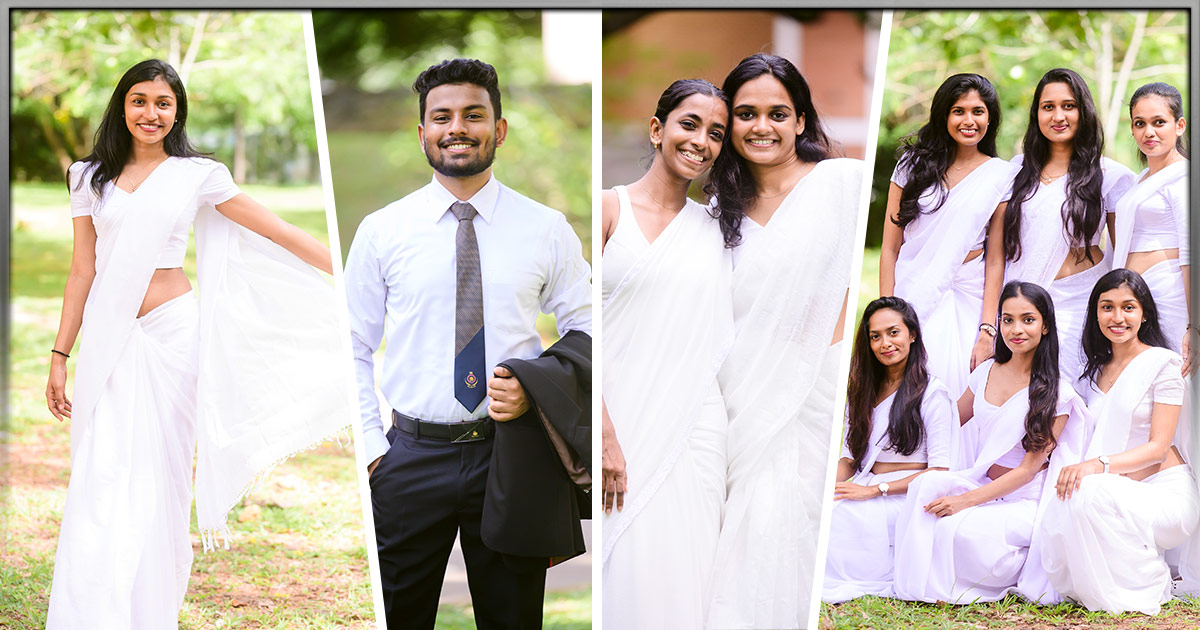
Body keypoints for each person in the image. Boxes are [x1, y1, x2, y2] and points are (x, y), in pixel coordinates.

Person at [44, 59, 349, 628]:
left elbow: (276, 229)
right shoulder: (87, 176)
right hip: (109, 338)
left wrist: (349, 280)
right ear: (122, 106)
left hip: (173, 338)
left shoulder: (197, 174)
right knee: (98, 474)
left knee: (161, 478)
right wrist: (61, 355)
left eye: (164, 103)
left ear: (177, 110)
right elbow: (81, 270)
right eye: (140, 101)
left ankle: (147, 613)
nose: (151, 113)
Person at [344, 58, 592, 630]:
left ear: (498, 129)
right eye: (442, 117)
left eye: (473, 114)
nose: (457, 127)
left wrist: (536, 389)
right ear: (423, 132)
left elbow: (587, 328)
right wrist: (372, 450)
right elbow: (352, 341)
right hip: (407, 456)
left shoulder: (545, 228)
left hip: (511, 455)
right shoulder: (383, 230)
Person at [702, 53, 863, 628]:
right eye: (745, 113)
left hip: (812, 388)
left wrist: (826, 371)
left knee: (794, 522)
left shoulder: (842, 183)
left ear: (801, 120)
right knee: (743, 529)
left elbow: (849, 284)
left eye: (777, 112)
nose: (761, 126)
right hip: (738, 393)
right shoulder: (719, 210)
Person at [600, 79, 733, 630]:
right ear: (657, 130)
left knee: (690, 564)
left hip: (696, 427)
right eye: (689, 123)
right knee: (626, 562)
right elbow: (577, 330)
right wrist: (604, 434)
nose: (701, 140)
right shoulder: (608, 208)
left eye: (717, 133)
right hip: (621, 421)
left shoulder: (719, 230)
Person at [892, 281, 1090, 605]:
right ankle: (916, 585)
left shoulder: (1058, 394)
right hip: (980, 481)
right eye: (1007, 319)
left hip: (1024, 500)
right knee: (924, 488)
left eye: (1028, 319)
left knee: (963, 531)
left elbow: (1027, 471)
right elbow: (950, 423)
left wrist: (965, 500)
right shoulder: (985, 371)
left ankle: (1008, 563)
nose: (1016, 329)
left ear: (1045, 326)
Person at [1041, 269, 1199, 615]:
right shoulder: (1094, 371)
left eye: (1128, 307)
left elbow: (1159, 447)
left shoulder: (1164, 364)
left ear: (1144, 313)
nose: (1117, 317)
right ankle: (1100, 586)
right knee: (1063, 500)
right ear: (1095, 313)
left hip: (1166, 494)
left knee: (1089, 491)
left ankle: (1149, 583)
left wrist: (1098, 468)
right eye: (1107, 307)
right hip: (1115, 490)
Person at [880, 73, 1016, 398]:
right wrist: (887, 312)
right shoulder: (912, 166)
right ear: (944, 115)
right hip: (912, 291)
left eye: (978, 111)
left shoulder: (1001, 175)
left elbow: (996, 259)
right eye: (959, 111)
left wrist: (987, 329)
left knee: (957, 395)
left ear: (990, 117)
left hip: (966, 298)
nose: (969, 120)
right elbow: (889, 247)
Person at [1002, 68, 1135, 392]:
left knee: (1070, 396)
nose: (1058, 115)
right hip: (1025, 304)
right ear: (1036, 114)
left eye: (1068, 105)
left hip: (1079, 303)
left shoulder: (1110, 175)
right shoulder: (1016, 170)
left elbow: (1124, 258)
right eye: (1048, 107)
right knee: (1022, 396)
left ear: (1083, 111)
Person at [822, 297, 955, 603]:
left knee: (840, 522)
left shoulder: (933, 394)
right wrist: (832, 487)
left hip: (904, 495)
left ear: (912, 334)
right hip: (865, 484)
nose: (885, 343)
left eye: (893, 332)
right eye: (875, 336)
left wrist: (876, 490)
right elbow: (849, 456)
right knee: (822, 509)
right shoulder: (862, 389)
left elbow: (938, 471)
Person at [1110, 82, 1193, 375]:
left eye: (1159, 122)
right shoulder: (1142, 178)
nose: (1149, 132)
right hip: (1136, 299)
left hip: (1171, 299)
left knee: (1173, 380)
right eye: (1139, 123)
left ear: (1179, 125)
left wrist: (1193, 325)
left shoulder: (1184, 180)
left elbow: (1190, 256)